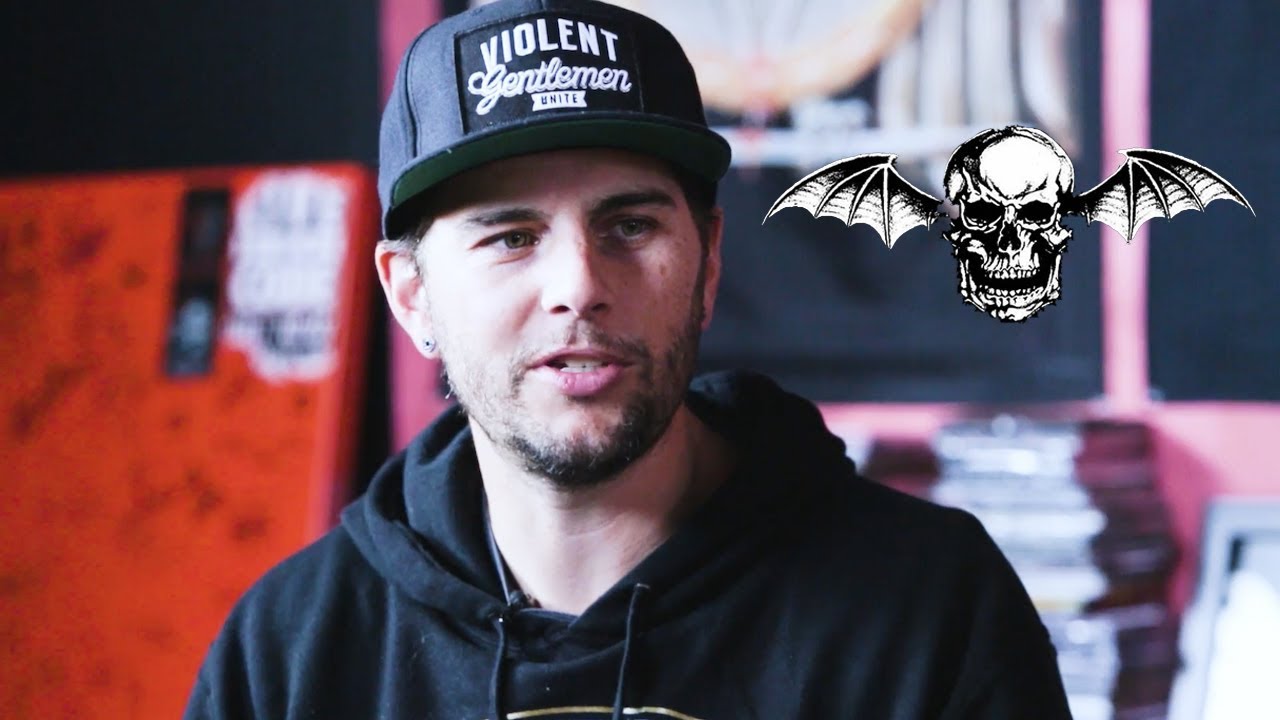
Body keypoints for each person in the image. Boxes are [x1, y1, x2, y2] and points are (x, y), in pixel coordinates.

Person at [184, 1, 1073, 718]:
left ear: (708, 264)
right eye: (510, 237)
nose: (579, 286)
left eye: (630, 226)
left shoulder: (929, 609)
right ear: (412, 294)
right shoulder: (291, 652)